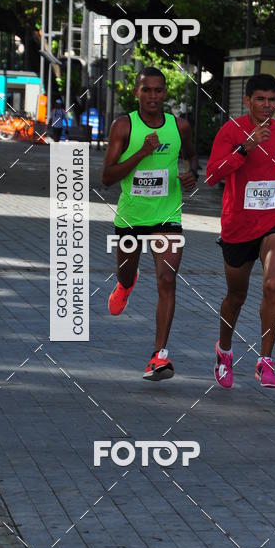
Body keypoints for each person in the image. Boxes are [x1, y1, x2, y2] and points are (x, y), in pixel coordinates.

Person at [206, 73, 275, 389]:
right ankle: (224, 351)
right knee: (236, 296)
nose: (267, 105)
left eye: (272, 100)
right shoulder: (230, 131)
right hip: (237, 225)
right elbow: (212, 176)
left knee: (273, 283)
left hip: (273, 219)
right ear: (247, 101)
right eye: (260, 99)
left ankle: (266, 361)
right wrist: (245, 148)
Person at [102, 67, 198, 380]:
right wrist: (143, 152)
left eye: (158, 90)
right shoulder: (123, 126)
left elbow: (193, 159)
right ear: (137, 92)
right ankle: (126, 284)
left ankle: (159, 355)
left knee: (167, 280)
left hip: (167, 216)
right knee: (126, 272)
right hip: (131, 217)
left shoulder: (178, 126)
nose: (153, 96)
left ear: (165, 93)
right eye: (147, 90)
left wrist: (190, 175)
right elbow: (107, 177)